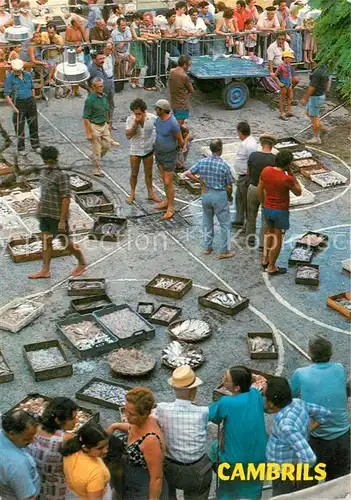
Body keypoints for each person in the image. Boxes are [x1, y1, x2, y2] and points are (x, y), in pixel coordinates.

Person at [290, 336, 350, 482]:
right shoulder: (339, 368)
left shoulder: (300, 373)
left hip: (316, 438)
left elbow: (290, 395)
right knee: (337, 485)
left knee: (309, 485)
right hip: (342, 437)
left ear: (310, 353)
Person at [265, 376, 331, 497]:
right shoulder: (297, 403)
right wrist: (308, 429)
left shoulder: (286, 425)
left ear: (270, 403)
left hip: (285, 475)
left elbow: (309, 458)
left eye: (264, 396)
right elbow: (325, 413)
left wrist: (297, 472)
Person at [154, 365, 212, 500]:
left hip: (170, 469)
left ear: (174, 388)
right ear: (194, 389)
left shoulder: (161, 409)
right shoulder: (203, 412)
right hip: (197, 471)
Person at [28, 146, 87, 279]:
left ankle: (82, 262)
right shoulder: (43, 172)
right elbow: (44, 190)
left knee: (66, 243)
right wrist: (40, 206)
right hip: (45, 213)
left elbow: (66, 199)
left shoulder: (61, 176)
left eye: (51, 161)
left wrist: (62, 220)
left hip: (57, 216)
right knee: (46, 242)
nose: (49, 164)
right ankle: (45, 270)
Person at [209, 366, 267, 500]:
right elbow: (262, 381)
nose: (223, 379)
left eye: (227, 379)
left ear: (237, 388)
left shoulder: (227, 402)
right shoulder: (255, 395)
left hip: (234, 462)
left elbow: (212, 416)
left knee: (214, 448)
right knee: (253, 490)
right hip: (259, 459)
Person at [106, 387, 167, 500]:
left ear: (144, 414)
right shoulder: (138, 422)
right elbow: (132, 428)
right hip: (127, 482)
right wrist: (115, 426)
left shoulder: (151, 440)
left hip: (141, 490)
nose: (126, 416)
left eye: (131, 414)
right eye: (125, 411)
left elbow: (157, 478)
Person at [186, 138, 234, 258]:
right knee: (225, 224)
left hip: (206, 193)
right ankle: (224, 250)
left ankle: (207, 247)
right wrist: (229, 197)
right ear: (220, 149)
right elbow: (229, 185)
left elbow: (188, 173)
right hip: (219, 195)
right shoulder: (224, 165)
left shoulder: (202, 162)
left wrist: (201, 182)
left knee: (207, 221)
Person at [257, 150, 301, 275]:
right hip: (280, 211)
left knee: (268, 234)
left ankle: (265, 259)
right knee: (278, 237)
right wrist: (292, 175)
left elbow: (260, 188)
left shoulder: (266, 170)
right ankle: (271, 266)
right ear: (288, 164)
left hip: (267, 208)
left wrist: (263, 204)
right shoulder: (286, 178)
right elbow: (298, 192)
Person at [28, 397, 78, 499]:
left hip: (35, 483)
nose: (76, 421)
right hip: (57, 489)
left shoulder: (35, 428)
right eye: (72, 418)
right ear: (58, 420)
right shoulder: (66, 439)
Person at [125, 98, 161, 204]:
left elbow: (160, 129)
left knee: (149, 173)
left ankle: (151, 193)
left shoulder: (153, 118)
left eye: (139, 113)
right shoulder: (130, 119)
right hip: (135, 150)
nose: (137, 115)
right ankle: (132, 193)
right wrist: (136, 124)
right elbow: (128, 135)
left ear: (144, 111)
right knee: (134, 173)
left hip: (148, 149)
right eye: (135, 113)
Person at [62, 424, 111, 499]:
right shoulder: (96, 473)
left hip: (73, 493)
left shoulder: (71, 447)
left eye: (106, 445)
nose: (106, 450)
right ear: (85, 448)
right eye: (100, 448)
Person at [153, 99, 183, 220]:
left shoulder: (173, 123)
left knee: (167, 181)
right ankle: (167, 200)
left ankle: (171, 206)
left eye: (157, 108)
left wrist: (179, 156)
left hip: (170, 155)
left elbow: (179, 139)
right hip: (159, 153)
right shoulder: (158, 120)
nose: (155, 110)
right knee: (163, 178)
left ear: (162, 110)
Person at [0, 410, 40, 500]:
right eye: (27, 439)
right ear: (11, 434)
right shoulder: (17, 465)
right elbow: (28, 498)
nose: (32, 441)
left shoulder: (3, 435)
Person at [4, 58, 40, 155]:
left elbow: (32, 88)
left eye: (18, 70)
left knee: (34, 125)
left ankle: (36, 145)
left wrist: (33, 100)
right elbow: (7, 95)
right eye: (15, 70)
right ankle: (21, 148)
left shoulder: (28, 75)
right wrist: (14, 108)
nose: (17, 72)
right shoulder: (9, 78)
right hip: (18, 103)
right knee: (19, 127)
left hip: (30, 102)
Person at [246, 133, 276, 247]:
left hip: (253, 187)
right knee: (265, 217)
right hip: (266, 191)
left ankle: (250, 239)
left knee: (251, 214)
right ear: (272, 145)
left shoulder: (253, 155)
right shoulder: (274, 159)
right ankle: (263, 244)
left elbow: (248, 172)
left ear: (261, 143)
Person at [83, 77, 111, 176]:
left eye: (102, 86)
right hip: (94, 126)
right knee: (97, 149)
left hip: (104, 125)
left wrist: (108, 123)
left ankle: (94, 158)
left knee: (107, 146)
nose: (101, 88)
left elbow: (106, 110)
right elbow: (86, 118)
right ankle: (96, 170)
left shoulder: (104, 97)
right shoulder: (90, 100)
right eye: (98, 87)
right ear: (93, 87)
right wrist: (88, 132)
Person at [232, 121, 257, 229]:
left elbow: (252, 161)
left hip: (245, 177)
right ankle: (239, 219)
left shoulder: (249, 145)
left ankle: (247, 223)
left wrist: (248, 174)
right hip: (241, 175)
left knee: (245, 200)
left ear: (240, 132)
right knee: (239, 199)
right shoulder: (246, 142)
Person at [301, 63, 331, 145]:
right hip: (320, 95)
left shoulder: (317, 73)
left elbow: (311, 88)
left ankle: (316, 138)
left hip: (315, 97)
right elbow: (327, 84)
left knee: (314, 118)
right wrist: (323, 91)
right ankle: (323, 128)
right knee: (308, 112)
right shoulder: (325, 68)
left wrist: (304, 98)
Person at [88, 51, 115, 128]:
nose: (102, 60)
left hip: (108, 91)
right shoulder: (91, 69)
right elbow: (81, 81)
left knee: (110, 106)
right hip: (99, 95)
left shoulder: (100, 65)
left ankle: (109, 124)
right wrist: (89, 89)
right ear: (94, 60)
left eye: (103, 58)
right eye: (100, 59)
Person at [168, 54, 194, 125]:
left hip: (173, 102)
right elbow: (191, 90)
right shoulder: (184, 76)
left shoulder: (172, 71)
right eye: (189, 64)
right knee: (179, 125)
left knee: (176, 122)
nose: (189, 66)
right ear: (185, 65)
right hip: (182, 104)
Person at [139, 12, 161, 91]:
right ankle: (147, 84)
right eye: (144, 20)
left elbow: (159, 36)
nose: (145, 22)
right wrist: (152, 37)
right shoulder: (142, 25)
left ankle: (152, 84)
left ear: (151, 19)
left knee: (155, 66)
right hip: (147, 47)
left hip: (155, 47)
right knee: (151, 66)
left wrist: (148, 35)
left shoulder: (156, 25)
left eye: (147, 20)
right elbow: (143, 36)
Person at [273, 50, 296, 120]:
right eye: (289, 58)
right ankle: (281, 112)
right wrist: (279, 83)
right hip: (284, 83)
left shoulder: (289, 65)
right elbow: (274, 75)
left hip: (289, 83)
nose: (290, 59)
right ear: (285, 58)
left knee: (290, 97)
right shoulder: (280, 66)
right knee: (282, 99)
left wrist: (291, 83)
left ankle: (288, 111)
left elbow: (290, 75)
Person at [130, 12, 145, 88]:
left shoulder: (141, 25)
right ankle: (132, 81)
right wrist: (145, 39)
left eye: (139, 19)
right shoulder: (132, 25)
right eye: (137, 19)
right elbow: (135, 37)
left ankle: (137, 81)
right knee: (135, 65)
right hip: (134, 46)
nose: (138, 21)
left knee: (140, 65)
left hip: (140, 46)